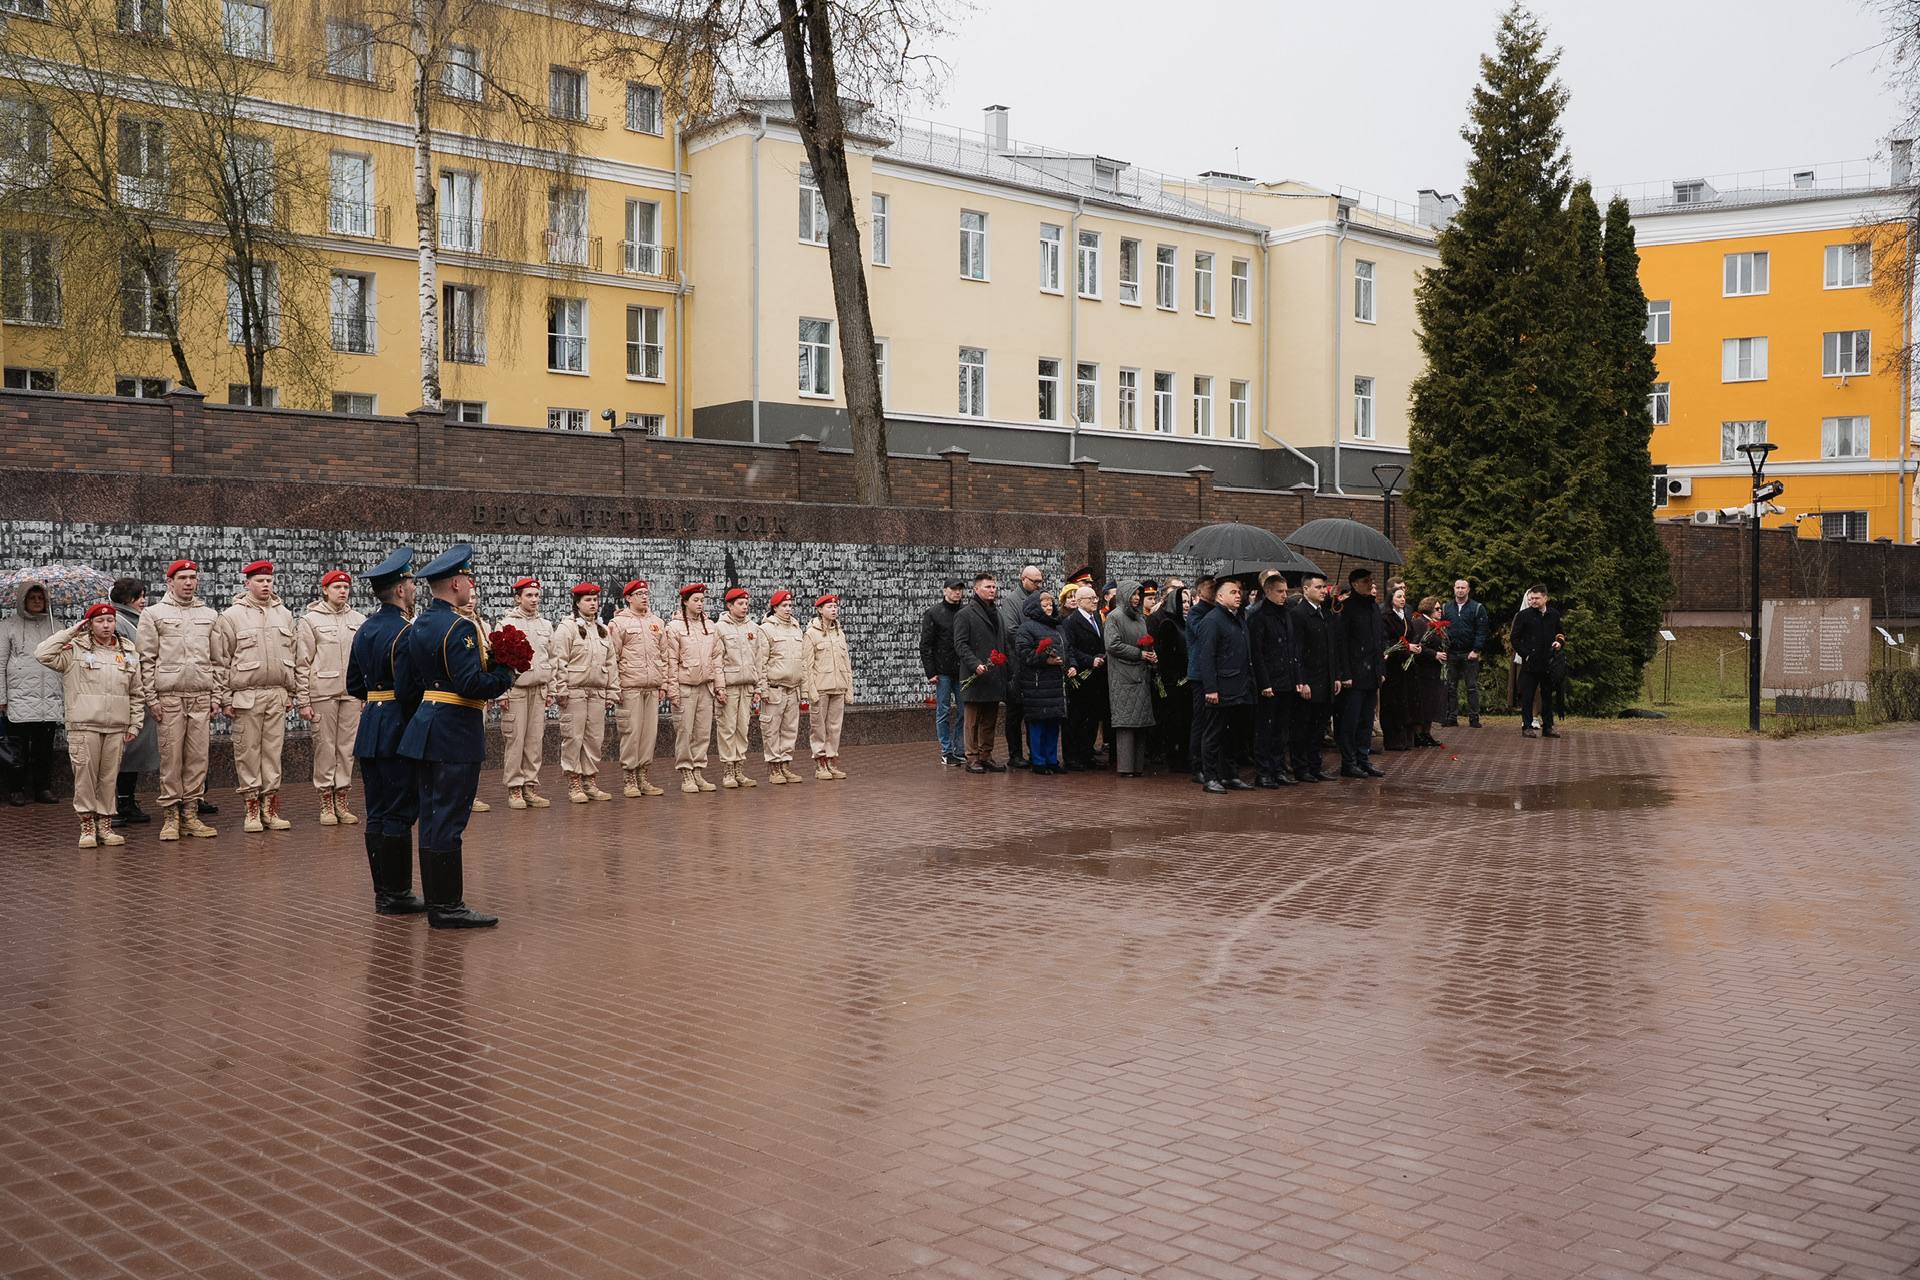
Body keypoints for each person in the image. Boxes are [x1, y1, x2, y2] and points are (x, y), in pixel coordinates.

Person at [395, 544, 517, 928]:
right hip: (454, 732)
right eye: (467, 578)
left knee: (432, 818)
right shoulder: (459, 626)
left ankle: (439, 904)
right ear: (455, 583)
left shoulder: (419, 624)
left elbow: (408, 685)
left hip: (427, 727)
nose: (471, 583)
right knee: (449, 818)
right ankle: (448, 907)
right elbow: (470, 683)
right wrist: (505, 673)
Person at [346, 546, 427, 916]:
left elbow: (353, 684)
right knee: (398, 811)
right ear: (399, 589)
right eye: (410, 583)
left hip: (371, 727)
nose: (413, 589)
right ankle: (396, 894)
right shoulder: (405, 632)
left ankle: (384, 891)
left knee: (377, 811)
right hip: (397, 727)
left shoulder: (364, 628)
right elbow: (411, 690)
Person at [211, 561, 313, 833]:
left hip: (277, 694)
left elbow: (292, 655)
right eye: (259, 581)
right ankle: (252, 809)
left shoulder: (285, 615)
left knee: (272, 754)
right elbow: (221, 659)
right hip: (246, 695)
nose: (266, 585)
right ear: (247, 583)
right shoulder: (231, 616)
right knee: (247, 752)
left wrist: (291, 692)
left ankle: (270, 807)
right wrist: (225, 697)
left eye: (269, 580)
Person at [35, 603, 144, 848]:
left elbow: (137, 692)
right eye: (99, 621)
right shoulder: (74, 649)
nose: (106, 626)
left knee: (109, 778)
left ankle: (105, 825)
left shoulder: (127, 650)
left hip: (117, 726)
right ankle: (86, 826)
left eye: (110, 621)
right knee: (85, 778)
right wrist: (71, 632)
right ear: (89, 624)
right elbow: (42, 654)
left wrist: (135, 724)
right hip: (84, 725)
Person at [137, 560, 219, 840]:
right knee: (171, 758)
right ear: (169, 581)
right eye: (182, 577)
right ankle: (171, 815)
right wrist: (151, 698)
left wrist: (216, 695)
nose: (188, 583)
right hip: (169, 696)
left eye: (193, 577)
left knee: (198, 758)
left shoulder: (209, 615)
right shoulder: (153, 614)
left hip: (200, 696)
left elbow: (218, 660)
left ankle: (191, 814)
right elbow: (146, 659)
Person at [301, 570, 366, 826]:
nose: (342, 591)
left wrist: (365, 693)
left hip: (351, 693)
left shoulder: (359, 619)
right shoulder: (310, 621)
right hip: (323, 692)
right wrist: (303, 700)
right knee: (325, 747)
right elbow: (303, 662)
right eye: (337, 586)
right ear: (325, 589)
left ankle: (342, 798)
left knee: (346, 749)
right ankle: (326, 800)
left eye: (345, 587)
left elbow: (364, 661)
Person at [550, 583, 615, 803]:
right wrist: (560, 689)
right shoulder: (566, 628)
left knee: (594, 738)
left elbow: (611, 662)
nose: (593, 604)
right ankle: (574, 781)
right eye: (588, 600)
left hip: (596, 691)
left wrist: (612, 691)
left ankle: (590, 780)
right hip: (574, 691)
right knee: (573, 737)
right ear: (577, 603)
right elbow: (559, 661)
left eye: (595, 600)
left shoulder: (602, 629)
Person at [497, 577, 556, 810]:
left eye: (536, 595)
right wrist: (501, 694)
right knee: (516, 739)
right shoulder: (507, 624)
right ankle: (514, 788)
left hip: (539, 689)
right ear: (517, 598)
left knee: (534, 740)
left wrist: (551, 688)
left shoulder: (546, 625)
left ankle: (530, 786)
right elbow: (499, 662)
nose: (534, 600)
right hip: (516, 691)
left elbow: (552, 659)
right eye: (528, 595)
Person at [1, 578, 61, 806]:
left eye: (40, 598)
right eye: (32, 598)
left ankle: (43, 788)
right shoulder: (8, 625)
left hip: (49, 697)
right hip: (19, 698)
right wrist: (1, 698)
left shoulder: (56, 626)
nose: (37, 602)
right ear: (22, 600)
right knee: (18, 747)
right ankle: (16, 789)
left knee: (44, 748)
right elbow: (0, 662)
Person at [1192, 578, 1254, 793]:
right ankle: (1210, 777)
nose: (1239, 595)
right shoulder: (1212, 620)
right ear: (1219, 596)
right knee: (1214, 734)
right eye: (1233, 592)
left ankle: (1229, 775)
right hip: (1221, 687)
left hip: (1239, 687)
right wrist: (1211, 688)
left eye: (1240, 591)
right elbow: (1206, 657)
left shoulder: (1238, 618)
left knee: (1233, 735)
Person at [608, 579, 668, 798]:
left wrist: (664, 684)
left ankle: (643, 776)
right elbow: (613, 657)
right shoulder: (619, 623)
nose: (644, 597)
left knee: (648, 734)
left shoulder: (657, 622)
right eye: (639, 593)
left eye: (646, 593)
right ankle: (629, 778)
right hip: (630, 686)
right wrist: (615, 688)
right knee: (631, 733)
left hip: (651, 686)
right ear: (628, 598)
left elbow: (664, 656)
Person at [108, 579, 158, 825]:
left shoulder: (143, 619)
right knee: (118, 752)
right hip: (122, 695)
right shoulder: (116, 621)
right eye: (138, 596)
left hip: (139, 695)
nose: (143, 600)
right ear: (126, 598)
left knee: (133, 752)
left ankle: (127, 800)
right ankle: (112, 804)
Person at [665, 583, 721, 794]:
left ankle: (698, 770)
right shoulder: (674, 627)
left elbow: (717, 659)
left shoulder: (710, 626)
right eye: (696, 600)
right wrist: (672, 690)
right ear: (685, 602)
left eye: (702, 600)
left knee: (702, 732)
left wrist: (719, 687)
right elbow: (671, 661)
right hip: (685, 687)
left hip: (705, 687)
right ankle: (686, 772)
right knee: (685, 731)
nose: (700, 604)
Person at [1331, 567, 1386, 780]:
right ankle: (1349, 761)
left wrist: (1380, 669)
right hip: (1353, 674)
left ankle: (1363, 759)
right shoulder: (1346, 608)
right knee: (1350, 721)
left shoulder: (1373, 608)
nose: (1371, 583)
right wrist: (1344, 673)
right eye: (1366, 580)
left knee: (1366, 720)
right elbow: (1341, 643)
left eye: (1371, 580)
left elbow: (1378, 641)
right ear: (1354, 584)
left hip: (1371, 673)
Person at [951, 572, 1009, 773]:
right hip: (975, 675)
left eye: (994, 587)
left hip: (994, 675)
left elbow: (1003, 642)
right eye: (988, 587)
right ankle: (972, 757)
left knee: (989, 719)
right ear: (976, 589)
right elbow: (960, 644)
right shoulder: (965, 614)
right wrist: (974, 664)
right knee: (972, 720)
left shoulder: (998, 614)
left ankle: (986, 755)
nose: (992, 590)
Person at [1286, 573, 1337, 784]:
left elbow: (1329, 649)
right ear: (1306, 589)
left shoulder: (1324, 613)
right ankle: (1301, 767)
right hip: (1309, 680)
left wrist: (1334, 676)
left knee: (1318, 727)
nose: (1323, 591)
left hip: (1325, 679)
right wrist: (1302, 680)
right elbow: (1297, 649)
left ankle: (1315, 766)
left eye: (1324, 587)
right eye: (1318, 587)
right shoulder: (1299, 614)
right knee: (1303, 727)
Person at [1248, 570, 1298, 787]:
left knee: (1281, 729)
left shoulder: (1286, 614)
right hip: (1269, 682)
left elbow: (1291, 648)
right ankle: (1264, 771)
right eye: (1279, 591)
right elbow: (1257, 653)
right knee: (1266, 729)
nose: (1284, 595)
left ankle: (1278, 769)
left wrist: (1295, 677)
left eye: (1286, 591)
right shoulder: (1259, 616)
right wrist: (1265, 683)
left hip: (1285, 679)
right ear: (1267, 591)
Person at [1103, 580, 1156, 777]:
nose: (1136, 598)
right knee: (1126, 724)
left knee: (1140, 723)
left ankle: (1138, 766)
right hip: (1123, 676)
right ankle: (1125, 768)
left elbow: (1146, 642)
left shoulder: (1140, 619)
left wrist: (1151, 654)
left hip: (1141, 674)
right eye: (1133, 594)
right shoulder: (1114, 617)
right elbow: (1112, 645)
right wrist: (1140, 654)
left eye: (1138, 595)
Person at [713, 586, 763, 790]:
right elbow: (716, 659)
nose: (744, 607)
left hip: (747, 686)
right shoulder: (720, 628)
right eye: (740, 604)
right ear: (729, 606)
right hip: (730, 686)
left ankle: (739, 768)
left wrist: (758, 687)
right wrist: (720, 687)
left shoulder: (753, 628)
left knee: (743, 729)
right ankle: (728, 771)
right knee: (727, 728)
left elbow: (758, 659)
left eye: (746, 603)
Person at [755, 590, 806, 784]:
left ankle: (786, 765)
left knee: (790, 730)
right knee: (771, 730)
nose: (788, 609)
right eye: (784, 606)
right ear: (774, 608)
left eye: (790, 605)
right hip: (774, 689)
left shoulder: (796, 628)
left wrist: (803, 690)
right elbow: (761, 662)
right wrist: (763, 689)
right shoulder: (766, 630)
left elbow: (801, 662)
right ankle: (774, 767)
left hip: (793, 688)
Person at [1014, 591, 1068, 774]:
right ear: (1035, 608)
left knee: (1053, 723)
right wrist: (1046, 660)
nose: (1049, 608)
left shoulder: (1057, 626)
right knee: (1038, 725)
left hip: (1056, 683)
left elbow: (1066, 649)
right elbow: (1023, 654)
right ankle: (1038, 761)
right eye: (1044, 605)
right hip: (1037, 684)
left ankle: (1052, 760)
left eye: (1050, 604)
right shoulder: (1026, 628)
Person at [996, 565, 1043, 768]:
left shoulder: (1041, 598)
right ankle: (1015, 755)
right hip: (1017, 665)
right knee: (1015, 714)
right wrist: (1034, 641)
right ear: (1023, 579)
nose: (1039, 585)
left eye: (1040, 581)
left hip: (1035, 665)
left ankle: (1035, 753)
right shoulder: (1012, 602)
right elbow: (1011, 631)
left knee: (1034, 712)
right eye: (1035, 582)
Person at [803, 593, 852, 779]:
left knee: (834, 727)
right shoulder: (811, 633)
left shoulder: (840, 633)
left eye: (835, 607)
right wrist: (810, 690)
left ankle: (832, 760)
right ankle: (820, 763)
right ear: (820, 610)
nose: (834, 610)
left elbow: (846, 663)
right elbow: (806, 664)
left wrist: (849, 689)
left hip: (838, 686)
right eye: (829, 607)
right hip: (821, 688)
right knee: (818, 727)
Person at [919, 578, 965, 766]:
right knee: (943, 711)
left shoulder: (966, 612)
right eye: (954, 589)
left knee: (964, 711)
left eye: (960, 589)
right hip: (943, 671)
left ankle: (960, 748)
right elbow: (926, 645)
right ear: (945, 590)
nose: (957, 593)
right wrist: (931, 672)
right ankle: (947, 750)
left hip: (962, 670)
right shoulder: (934, 613)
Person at [1147, 585, 1192, 775]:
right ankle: (1175, 758)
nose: (1187, 605)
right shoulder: (1168, 624)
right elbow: (1165, 654)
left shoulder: (1185, 623)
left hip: (1184, 679)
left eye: (1189, 601)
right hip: (1174, 681)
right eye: (1182, 601)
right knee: (1175, 722)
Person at [1062, 585, 1107, 771]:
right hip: (1080, 676)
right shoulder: (1071, 622)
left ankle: (1087, 753)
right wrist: (1089, 660)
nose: (1095, 601)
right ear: (1080, 602)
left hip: (1096, 677)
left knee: (1092, 717)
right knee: (1077, 718)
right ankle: (1073, 757)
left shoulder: (1096, 617)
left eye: (1096, 598)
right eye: (1091, 599)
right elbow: (1070, 648)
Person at [1511, 585, 1564, 739]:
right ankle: (1527, 726)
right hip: (1531, 663)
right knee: (1527, 696)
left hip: (1548, 662)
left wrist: (1559, 642)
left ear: (1545, 598)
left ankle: (1548, 726)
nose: (1533, 601)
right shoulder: (1523, 615)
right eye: (1531, 598)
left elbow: (1560, 632)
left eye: (1537, 598)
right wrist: (1525, 654)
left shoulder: (1553, 614)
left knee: (1547, 695)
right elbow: (1514, 638)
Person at [1439, 578, 1489, 728]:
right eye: (1457, 587)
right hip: (1451, 653)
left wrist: (1476, 649)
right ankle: (1451, 717)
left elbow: (1482, 630)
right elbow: (1440, 629)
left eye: (1463, 588)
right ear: (1453, 589)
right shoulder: (1446, 607)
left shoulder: (1477, 608)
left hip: (1469, 653)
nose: (1460, 590)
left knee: (1472, 687)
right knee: (1450, 686)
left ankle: (1474, 718)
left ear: (1468, 590)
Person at [1184, 574, 1218, 781]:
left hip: (1214, 672)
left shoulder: (1215, 611)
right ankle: (1196, 764)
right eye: (1210, 588)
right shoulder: (1197, 613)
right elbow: (1203, 632)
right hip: (1199, 674)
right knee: (1201, 720)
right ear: (1199, 591)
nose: (1214, 591)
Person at [1379, 582, 1416, 753]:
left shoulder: (1405, 617)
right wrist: (1406, 647)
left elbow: (1411, 635)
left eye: (1403, 596)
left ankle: (1404, 737)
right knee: (1391, 702)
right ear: (1391, 599)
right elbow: (1387, 641)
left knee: (1404, 701)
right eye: (1399, 596)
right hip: (1392, 665)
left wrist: (1414, 647)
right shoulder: (1386, 617)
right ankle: (1392, 739)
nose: (1403, 599)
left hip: (1405, 666)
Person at [1411, 596, 1447, 748]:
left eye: (1440, 609)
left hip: (1434, 670)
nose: (1440, 612)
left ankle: (1427, 733)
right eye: (1437, 609)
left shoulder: (1435, 625)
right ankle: (1418, 734)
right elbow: (1418, 645)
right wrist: (1434, 654)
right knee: (1423, 703)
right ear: (1429, 609)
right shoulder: (1420, 623)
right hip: (1423, 669)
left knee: (1432, 702)